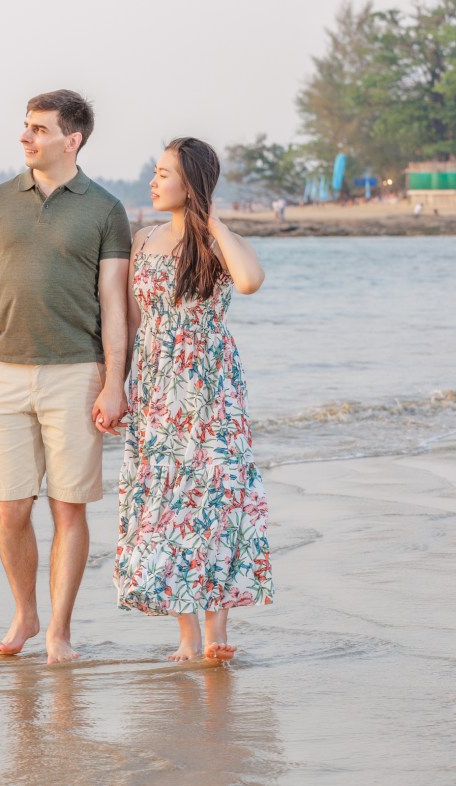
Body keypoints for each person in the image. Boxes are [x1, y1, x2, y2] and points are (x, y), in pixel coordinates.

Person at [0, 89, 132, 664]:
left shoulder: (105, 210)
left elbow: (114, 303)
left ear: (71, 140)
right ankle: (25, 612)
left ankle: (59, 631)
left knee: (68, 507)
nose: (26, 137)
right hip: (5, 374)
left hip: (78, 373)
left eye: (40, 129)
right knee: (10, 508)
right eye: (25, 126)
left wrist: (115, 381)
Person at [115, 137, 274, 662]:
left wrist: (212, 220)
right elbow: (132, 320)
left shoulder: (218, 243)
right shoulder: (143, 240)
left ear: (192, 184)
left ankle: (217, 630)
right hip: (157, 387)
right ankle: (186, 635)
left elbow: (249, 281)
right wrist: (115, 384)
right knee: (167, 504)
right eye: (156, 172)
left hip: (212, 389)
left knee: (217, 498)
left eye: (164, 174)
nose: (154, 182)